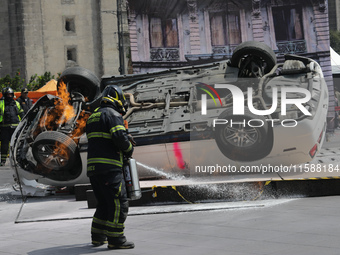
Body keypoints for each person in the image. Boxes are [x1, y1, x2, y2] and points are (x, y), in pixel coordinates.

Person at [86, 85, 134, 249]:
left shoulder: (94, 116)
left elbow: (104, 137)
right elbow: (119, 138)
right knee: (118, 202)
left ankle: (98, 236)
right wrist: (129, 149)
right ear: (117, 99)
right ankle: (116, 239)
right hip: (109, 168)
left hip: (94, 169)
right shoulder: (113, 114)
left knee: (104, 203)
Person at [0, 87, 24, 166]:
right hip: (4, 127)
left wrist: (24, 123)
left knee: (17, 144)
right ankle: (3, 160)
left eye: (10, 94)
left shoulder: (16, 103)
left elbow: (21, 114)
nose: (9, 96)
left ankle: (18, 160)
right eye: (8, 94)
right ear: (4, 95)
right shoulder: (1, 103)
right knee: (4, 144)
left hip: (16, 127)